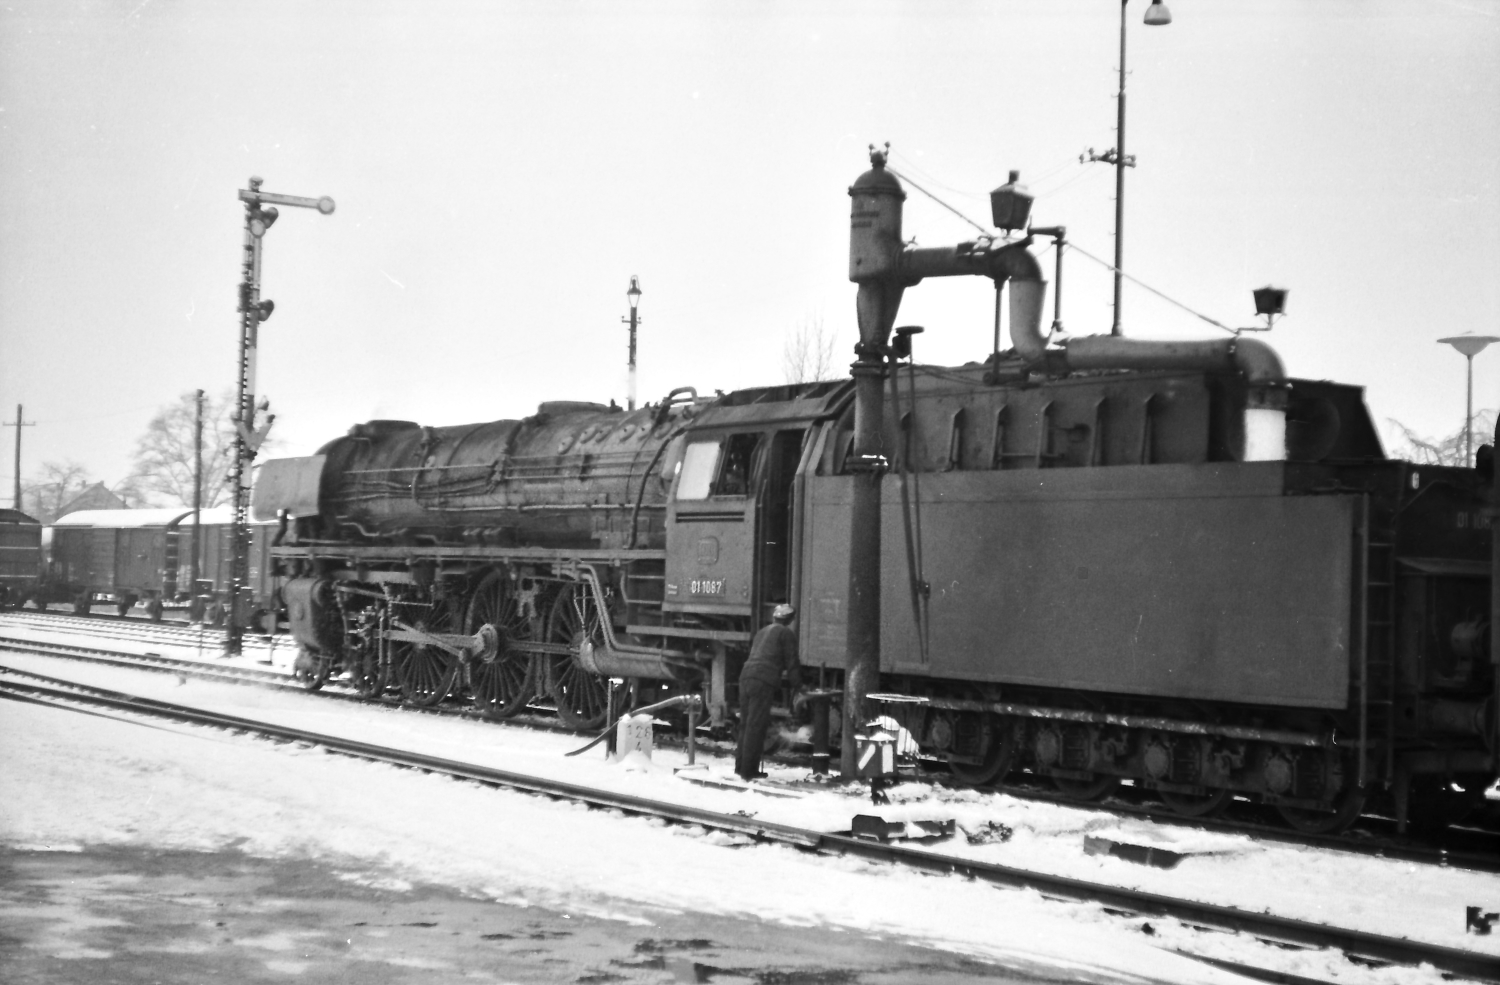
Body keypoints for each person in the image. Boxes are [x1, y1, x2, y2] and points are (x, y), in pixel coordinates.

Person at [735, 603, 801, 780]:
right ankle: (749, 772)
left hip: (745, 677)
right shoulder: (786, 634)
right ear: (790, 619)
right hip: (763, 681)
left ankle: (740, 768)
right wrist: (799, 686)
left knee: (745, 724)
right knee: (756, 726)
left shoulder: (762, 631)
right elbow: (792, 662)